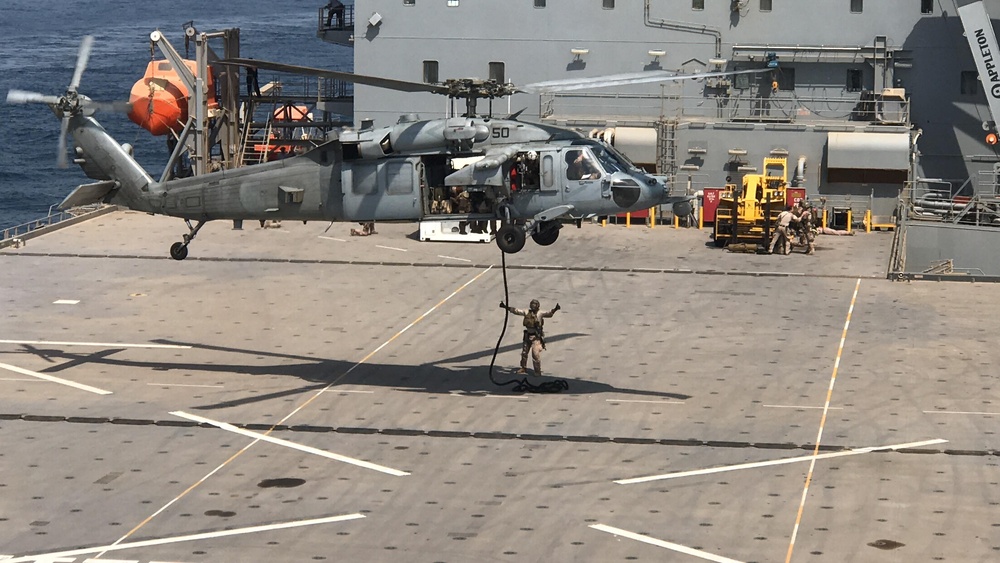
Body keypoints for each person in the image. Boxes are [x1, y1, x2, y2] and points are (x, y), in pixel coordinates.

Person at [500, 299, 561, 376]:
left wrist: (555, 309)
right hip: (527, 335)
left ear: (538, 306)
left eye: (534, 305)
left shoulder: (540, 313)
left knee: (535, 354)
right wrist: (505, 307)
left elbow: (549, 313)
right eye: (532, 304)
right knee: (524, 353)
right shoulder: (526, 312)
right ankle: (523, 367)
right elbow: (516, 311)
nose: (533, 306)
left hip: (536, 337)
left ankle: (537, 371)